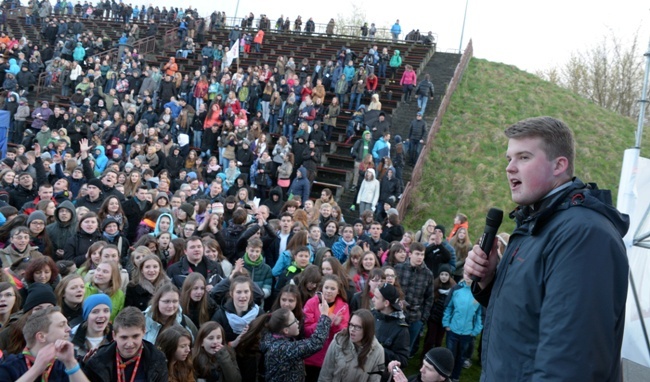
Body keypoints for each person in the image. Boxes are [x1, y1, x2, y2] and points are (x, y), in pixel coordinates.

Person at [464, 116, 629, 381]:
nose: (509, 168)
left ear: (558, 166)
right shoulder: (535, 223)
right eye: (509, 158)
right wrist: (489, 281)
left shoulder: (583, 235)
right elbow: (528, 320)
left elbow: (571, 364)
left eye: (524, 157)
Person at [0, 306, 91, 382]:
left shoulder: (65, 364)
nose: (69, 329)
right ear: (41, 337)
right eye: (61, 325)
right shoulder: (11, 366)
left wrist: (71, 363)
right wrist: (36, 369)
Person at [83, 306, 168, 381]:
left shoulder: (157, 359)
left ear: (144, 332)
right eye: (124, 337)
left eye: (135, 336)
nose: (130, 344)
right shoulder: (98, 360)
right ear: (114, 336)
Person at [319, 309, 385, 381]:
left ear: (367, 330)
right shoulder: (338, 341)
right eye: (351, 325)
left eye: (358, 327)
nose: (352, 329)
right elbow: (325, 375)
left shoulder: (378, 351)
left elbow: (375, 379)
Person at [372, 283, 410, 371]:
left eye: (376, 297)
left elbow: (403, 360)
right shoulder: (372, 315)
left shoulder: (401, 329)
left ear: (386, 303)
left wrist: (378, 349)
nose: (373, 299)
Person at [388, 347, 454, 382]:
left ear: (442, 377)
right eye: (423, 364)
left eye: (428, 368)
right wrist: (390, 374)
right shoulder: (416, 378)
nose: (421, 370)